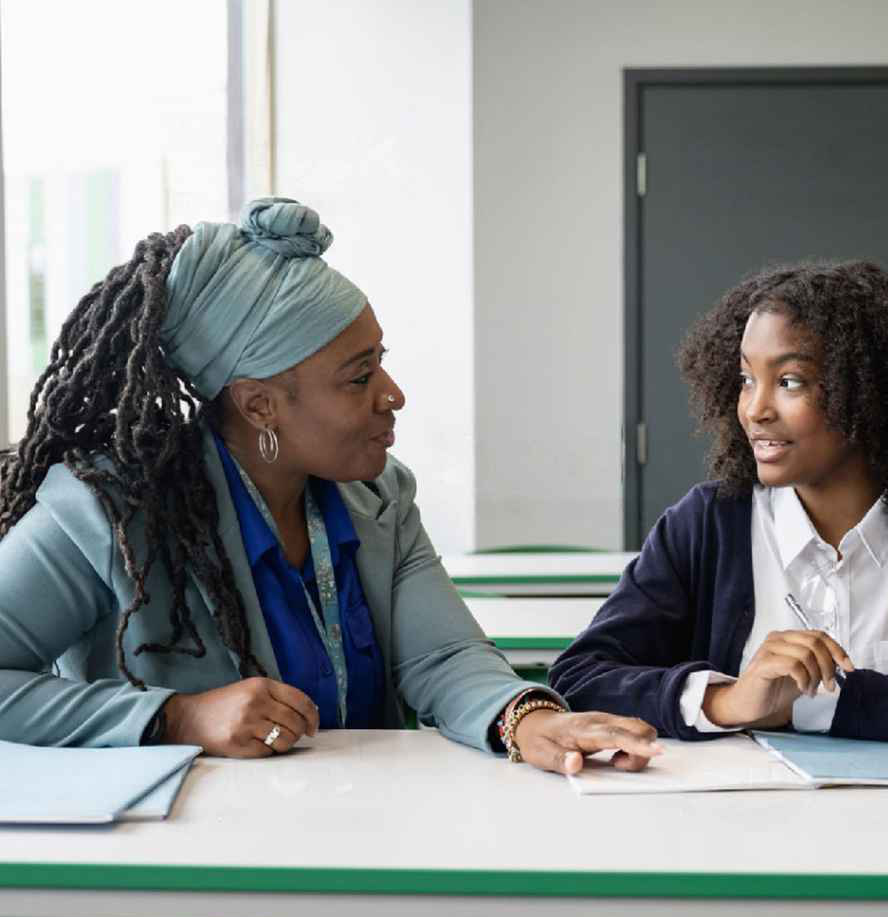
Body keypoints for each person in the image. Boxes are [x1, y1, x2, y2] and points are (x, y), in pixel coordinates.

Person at [0, 197, 660, 774]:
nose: (392, 395)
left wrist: (526, 717)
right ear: (259, 404)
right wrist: (176, 717)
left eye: (383, 364)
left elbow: (445, 655)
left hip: (359, 837)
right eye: (358, 377)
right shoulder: (109, 508)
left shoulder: (379, 498)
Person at [551, 260, 888, 750]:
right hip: (742, 823)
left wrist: (813, 704)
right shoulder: (707, 524)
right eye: (745, 379)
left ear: (872, 395)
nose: (755, 409)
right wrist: (730, 701)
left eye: (790, 381)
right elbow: (581, 678)